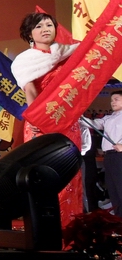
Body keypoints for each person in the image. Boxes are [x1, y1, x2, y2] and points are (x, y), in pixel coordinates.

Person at [11, 12, 82, 224]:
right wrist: (39, 119)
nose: (45, 29)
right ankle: (46, 229)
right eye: (39, 26)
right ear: (29, 33)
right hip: (40, 122)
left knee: (71, 174)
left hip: (67, 122)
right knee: (44, 173)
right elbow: (30, 91)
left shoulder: (67, 52)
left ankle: (71, 226)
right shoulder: (24, 60)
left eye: (49, 25)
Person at [88, 90, 122, 216]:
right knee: (113, 189)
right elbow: (93, 124)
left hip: (120, 156)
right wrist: (78, 116)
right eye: (112, 100)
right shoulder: (108, 118)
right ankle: (118, 220)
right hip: (109, 157)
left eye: (116, 99)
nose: (113, 102)